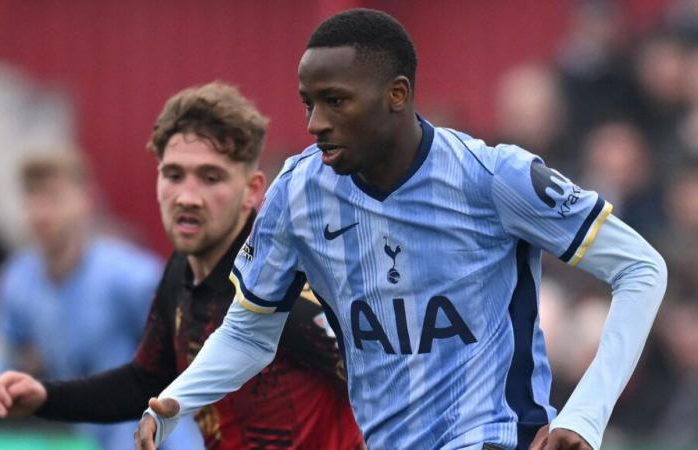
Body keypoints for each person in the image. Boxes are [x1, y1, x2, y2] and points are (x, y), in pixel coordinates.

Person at [136, 9, 667, 450]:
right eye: (308, 103)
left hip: (494, 437)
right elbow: (251, 331)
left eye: (335, 100)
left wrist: (586, 414)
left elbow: (641, 268)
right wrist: (176, 402)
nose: (315, 122)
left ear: (396, 94)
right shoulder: (299, 193)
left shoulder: (491, 177)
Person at [0, 82, 363, 450]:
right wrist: (46, 397)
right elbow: (148, 379)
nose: (187, 197)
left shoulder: (284, 285)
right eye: (174, 175)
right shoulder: (181, 273)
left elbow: (382, 379)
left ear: (252, 191)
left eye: (210, 178)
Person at [0, 151, 164, 450]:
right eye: (32, 198)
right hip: (74, 435)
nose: (41, 212)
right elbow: (9, 358)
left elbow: (177, 362)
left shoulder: (134, 277)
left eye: (53, 198)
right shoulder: (18, 281)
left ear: (84, 201)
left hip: (148, 435)